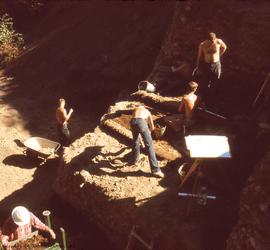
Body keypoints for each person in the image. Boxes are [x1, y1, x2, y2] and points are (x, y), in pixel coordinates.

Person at [130, 105, 164, 178]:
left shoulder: (135, 111)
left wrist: (142, 142)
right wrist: (150, 137)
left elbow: (138, 133)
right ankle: (156, 170)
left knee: (135, 141)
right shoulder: (147, 111)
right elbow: (152, 127)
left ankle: (135, 160)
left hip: (132, 122)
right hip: (141, 122)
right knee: (149, 145)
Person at [196, 32, 227, 103]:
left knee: (215, 82)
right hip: (206, 65)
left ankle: (210, 101)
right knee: (204, 83)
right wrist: (198, 67)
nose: (212, 42)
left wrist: (219, 55)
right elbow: (199, 56)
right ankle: (201, 100)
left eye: (213, 40)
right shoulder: (202, 45)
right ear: (207, 40)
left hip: (216, 65)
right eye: (211, 41)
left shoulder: (219, 41)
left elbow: (225, 47)